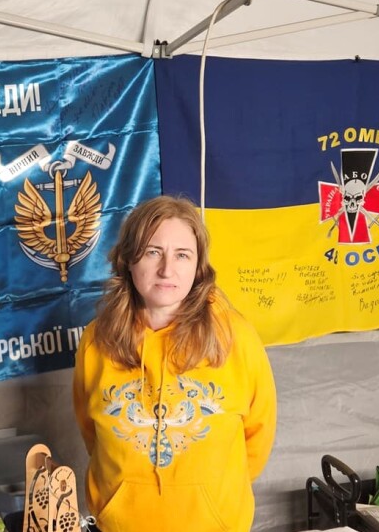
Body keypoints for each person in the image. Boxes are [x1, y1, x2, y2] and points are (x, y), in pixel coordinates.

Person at [72, 195, 277, 532]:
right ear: (128, 259)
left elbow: (258, 436)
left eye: (182, 255)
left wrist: (209, 502)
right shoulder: (97, 339)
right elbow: (90, 429)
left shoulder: (236, 336)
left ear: (198, 266)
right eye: (153, 252)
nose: (167, 269)